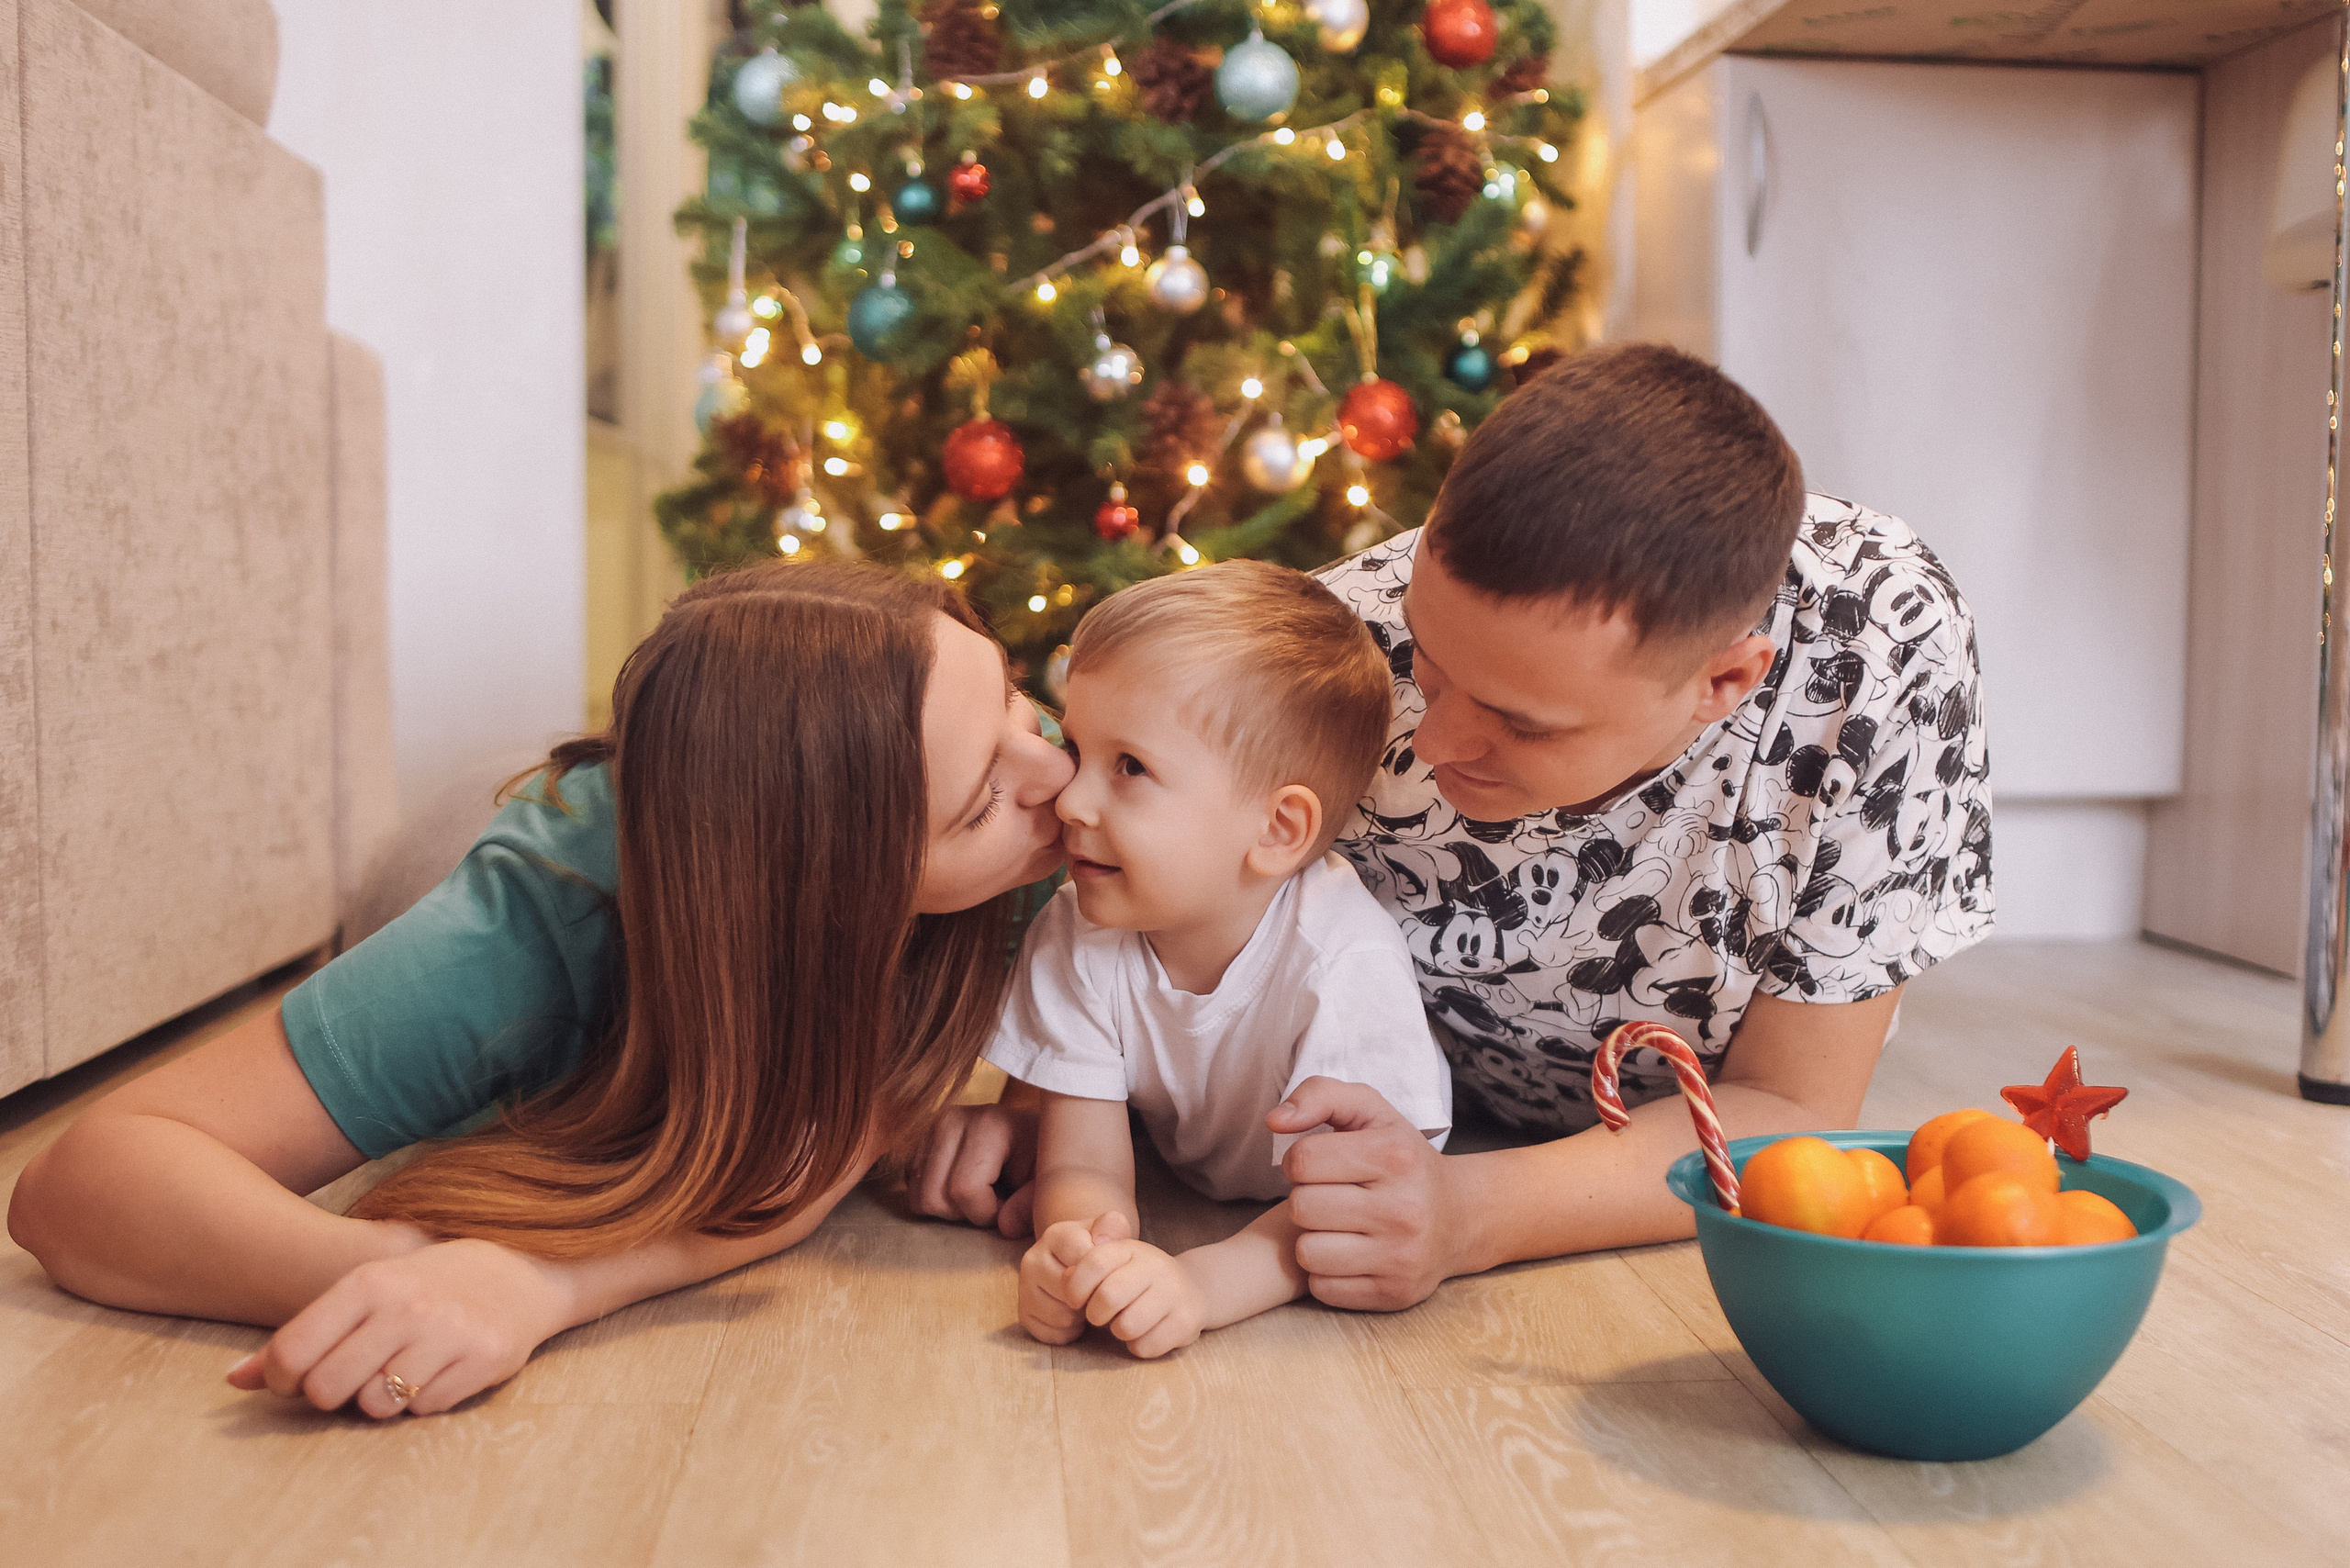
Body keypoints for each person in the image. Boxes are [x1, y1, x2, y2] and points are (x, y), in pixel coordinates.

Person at [912, 342, 1994, 1313]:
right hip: (1365, 1125)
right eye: (1425, 662)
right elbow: (1160, 900)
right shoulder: (1331, 645)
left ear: (1723, 681)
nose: (1429, 742)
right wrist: (1059, 1095)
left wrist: (1465, 1214)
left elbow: (1790, 1100)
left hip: (1599, 1154)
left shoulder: (1881, 664)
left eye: (1518, 722)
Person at [7, 562, 1073, 1417]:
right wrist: (421, 1270)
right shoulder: (525, 932)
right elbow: (80, 1184)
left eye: (1021, 704)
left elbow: (796, 1164)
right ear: (819, 891)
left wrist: (1041, 1097)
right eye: (984, 802)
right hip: (499, 852)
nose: (1058, 777)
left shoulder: (1044, 804)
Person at [1001, 563, 1452, 1359]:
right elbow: (1079, 1157)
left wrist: (1202, 1286)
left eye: (1130, 766)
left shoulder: (1343, 961)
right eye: (1077, 746)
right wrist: (1082, 1251)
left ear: (1278, 829)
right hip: (1203, 1183)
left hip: (1330, 1209)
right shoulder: (1080, 928)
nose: (1070, 799)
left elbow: (1346, 1202)